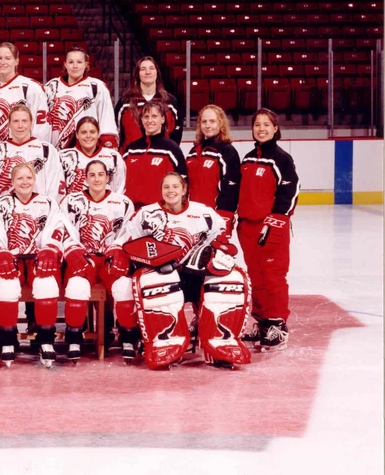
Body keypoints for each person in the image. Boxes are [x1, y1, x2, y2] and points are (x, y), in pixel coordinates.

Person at [116, 172, 250, 369]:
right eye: (166, 187)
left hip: (197, 275)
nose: (171, 191)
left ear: (184, 190)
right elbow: (131, 241)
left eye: (175, 187)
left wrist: (218, 249)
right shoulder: (146, 214)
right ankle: (164, 341)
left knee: (231, 280)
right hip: (163, 274)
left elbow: (221, 237)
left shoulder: (203, 213)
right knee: (154, 283)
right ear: (161, 191)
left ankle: (219, 342)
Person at [0, 162, 73, 366]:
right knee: (6, 287)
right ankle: (7, 339)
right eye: (20, 178)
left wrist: (50, 249)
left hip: (37, 257)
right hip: (12, 257)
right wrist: (0, 253)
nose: (25, 182)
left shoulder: (48, 203)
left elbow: (56, 229)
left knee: (47, 285)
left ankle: (46, 339)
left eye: (29, 178)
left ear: (35, 180)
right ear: (12, 182)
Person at [60, 160, 136, 360]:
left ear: (108, 177)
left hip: (111, 256)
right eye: (92, 175)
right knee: (77, 286)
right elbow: (65, 230)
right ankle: (74, 338)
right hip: (84, 256)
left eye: (100, 174)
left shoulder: (122, 202)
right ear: (85, 179)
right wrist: (73, 251)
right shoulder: (71, 201)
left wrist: (118, 247)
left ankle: (128, 337)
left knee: (124, 286)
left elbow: (129, 232)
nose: (96, 179)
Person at [237, 108, 299, 350]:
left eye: (266, 124)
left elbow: (291, 190)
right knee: (256, 275)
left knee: (273, 274)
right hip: (248, 226)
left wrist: (276, 219)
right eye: (257, 125)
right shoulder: (248, 158)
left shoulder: (282, 159)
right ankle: (262, 322)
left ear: (275, 129)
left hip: (271, 226)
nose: (261, 128)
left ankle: (277, 324)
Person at [0, 42, 50, 151]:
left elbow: (41, 126)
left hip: (22, 152)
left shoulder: (31, 88)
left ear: (16, 61)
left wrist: (34, 151)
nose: (3, 62)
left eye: (8, 58)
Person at [0, 103, 65, 201]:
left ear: (31, 123)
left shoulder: (46, 150)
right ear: (8, 124)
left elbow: (55, 186)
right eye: (16, 121)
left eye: (24, 121)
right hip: (6, 211)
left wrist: (45, 210)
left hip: (39, 211)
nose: (20, 126)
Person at [44, 47, 118, 150]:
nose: (75, 66)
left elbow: (106, 117)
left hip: (87, 147)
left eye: (79, 62)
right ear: (65, 64)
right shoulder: (51, 86)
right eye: (71, 62)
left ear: (86, 64)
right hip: (55, 148)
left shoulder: (96, 86)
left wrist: (108, 142)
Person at [122, 99, 187, 209]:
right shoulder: (131, 149)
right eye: (146, 117)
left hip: (160, 212)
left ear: (162, 119)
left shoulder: (171, 149)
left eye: (154, 116)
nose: (150, 120)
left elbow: (183, 182)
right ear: (141, 120)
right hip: (131, 212)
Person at [186, 104, 241, 236]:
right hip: (192, 216)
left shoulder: (227, 151)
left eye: (212, 121)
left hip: (216, 217)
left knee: (214, 256)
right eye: (204, 121)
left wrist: (225, 216)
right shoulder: (193, 152)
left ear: (220, 123)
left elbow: (232, 188)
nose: (207, 125)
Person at [114, 56, 182, 151]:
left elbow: (176, 134)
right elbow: (116, 132)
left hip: (161, 158)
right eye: (143, 69)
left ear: (157, 72)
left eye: (151, 68)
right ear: (138, 74)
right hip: (131, 159)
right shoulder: (125, 102)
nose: (148, 72)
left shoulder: (170, 102)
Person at [59, 116, 126, 195]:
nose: (88, 136)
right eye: (84, 132)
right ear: (77, 134)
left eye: (92, 132)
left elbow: (119, 188)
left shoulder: (113, 156)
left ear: (98, 134)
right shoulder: (63, 156)